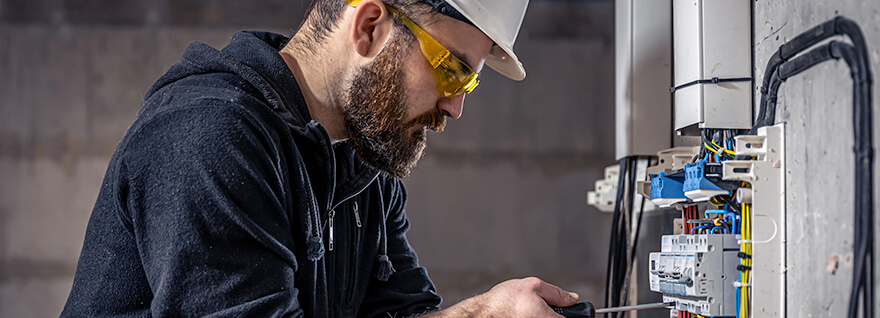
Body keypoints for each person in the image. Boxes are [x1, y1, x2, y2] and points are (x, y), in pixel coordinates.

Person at [62, 0, 580, 316]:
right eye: (452, 70)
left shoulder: (364, 166)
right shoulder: (209, 138)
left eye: (471, 81)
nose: (456, 106)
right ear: (371, 26)